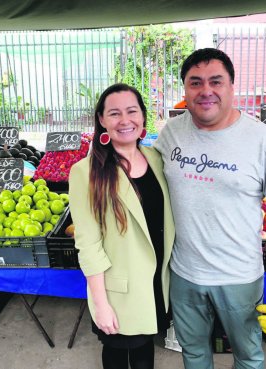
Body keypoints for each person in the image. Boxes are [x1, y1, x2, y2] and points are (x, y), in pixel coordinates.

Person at [153, 48, 266, 369]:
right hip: (185, 273)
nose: (206, 91)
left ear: (231, 87)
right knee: (194, 353)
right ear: (185, 89)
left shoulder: (262, 138)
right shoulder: (170, 133)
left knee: (249, 357)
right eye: (195, 82)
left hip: (239, 275)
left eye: (216, 81)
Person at [68, 83, 175, 369]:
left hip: (155, 284)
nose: (125, 120)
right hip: (119, 292)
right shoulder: (86, 173)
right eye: (114, 113)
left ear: (143, 116)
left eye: (132, 111)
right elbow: (88, 244)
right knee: (118, 356)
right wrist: (101, 304)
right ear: (102, 120)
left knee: (144, 356)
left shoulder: (155, 159)